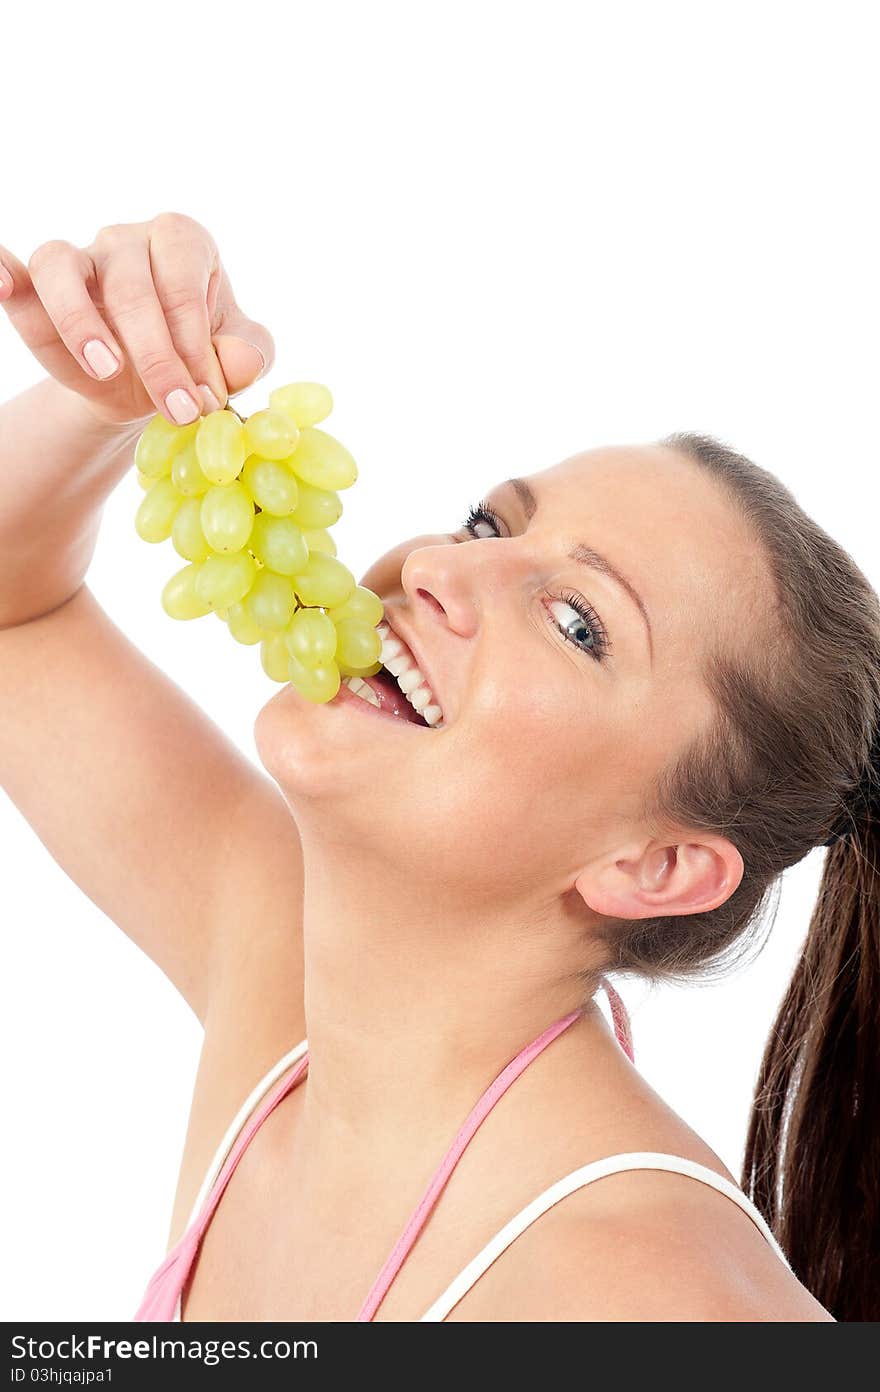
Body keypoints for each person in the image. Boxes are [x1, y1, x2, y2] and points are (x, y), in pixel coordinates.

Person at [0, 213, 874, 1323]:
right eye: (484, 524)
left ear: (654, 866)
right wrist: (116, 396)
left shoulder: (659, 1305)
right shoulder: (284, 995)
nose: (435, 570)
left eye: (576, 622)